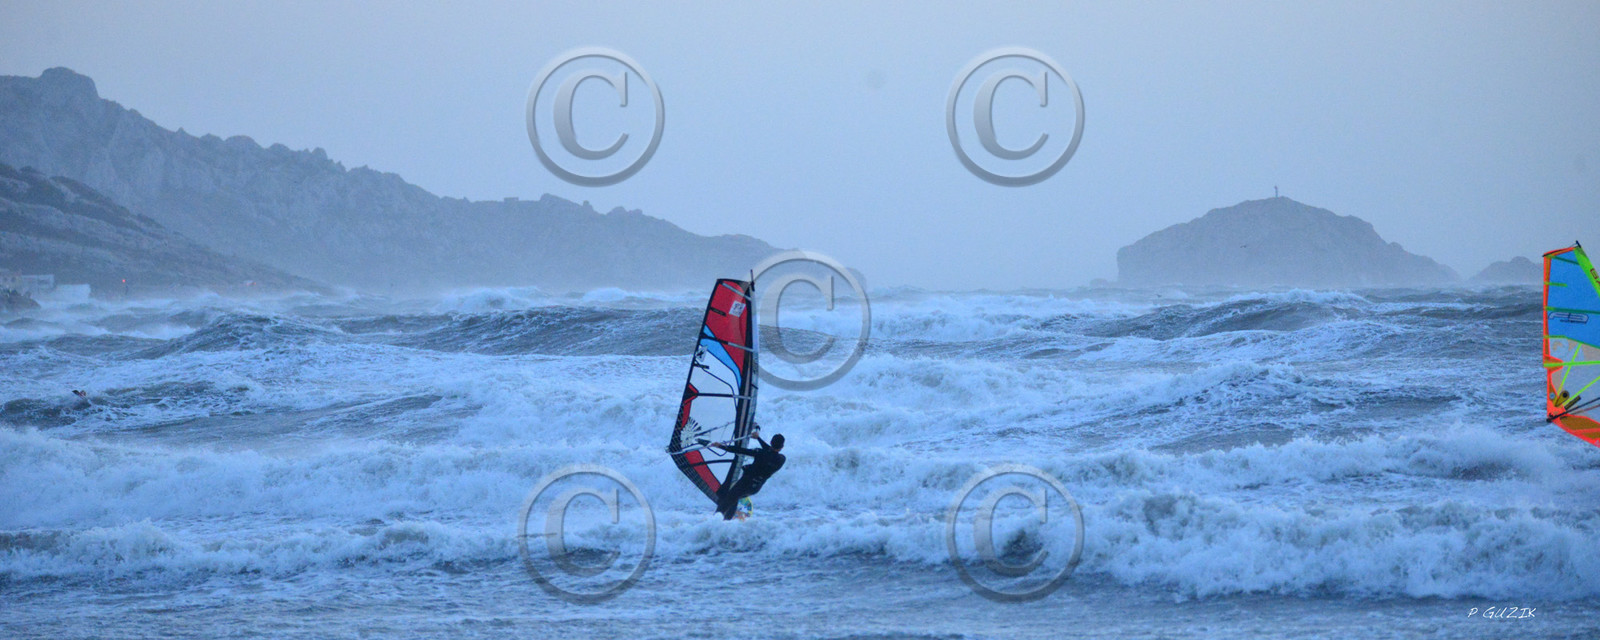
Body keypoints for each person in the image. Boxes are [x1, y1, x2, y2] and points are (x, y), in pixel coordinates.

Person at [709, 431, 785, 520]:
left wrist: (721, 446)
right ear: (782, 447)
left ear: (771, 442)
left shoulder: (760, 452)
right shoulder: (781, 459)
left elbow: (740, 450)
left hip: (745, 483)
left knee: (727, 501)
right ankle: (727, 521)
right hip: (755, 488)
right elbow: (770, 452)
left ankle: (714, 523)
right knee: (733, 499)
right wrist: (758, 439)